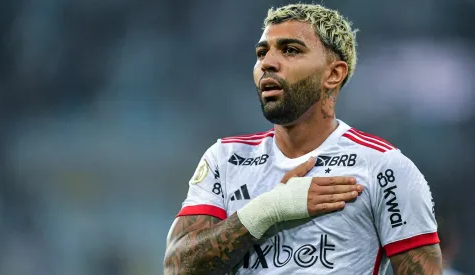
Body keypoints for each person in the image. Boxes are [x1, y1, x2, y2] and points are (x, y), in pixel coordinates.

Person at [164, 3, 442, 274]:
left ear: (333, 74)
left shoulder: (384, 167)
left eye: (291, 50)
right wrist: (268, 210)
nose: (267, 64)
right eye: (262, 53)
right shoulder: (224, 159)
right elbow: (177, 267)